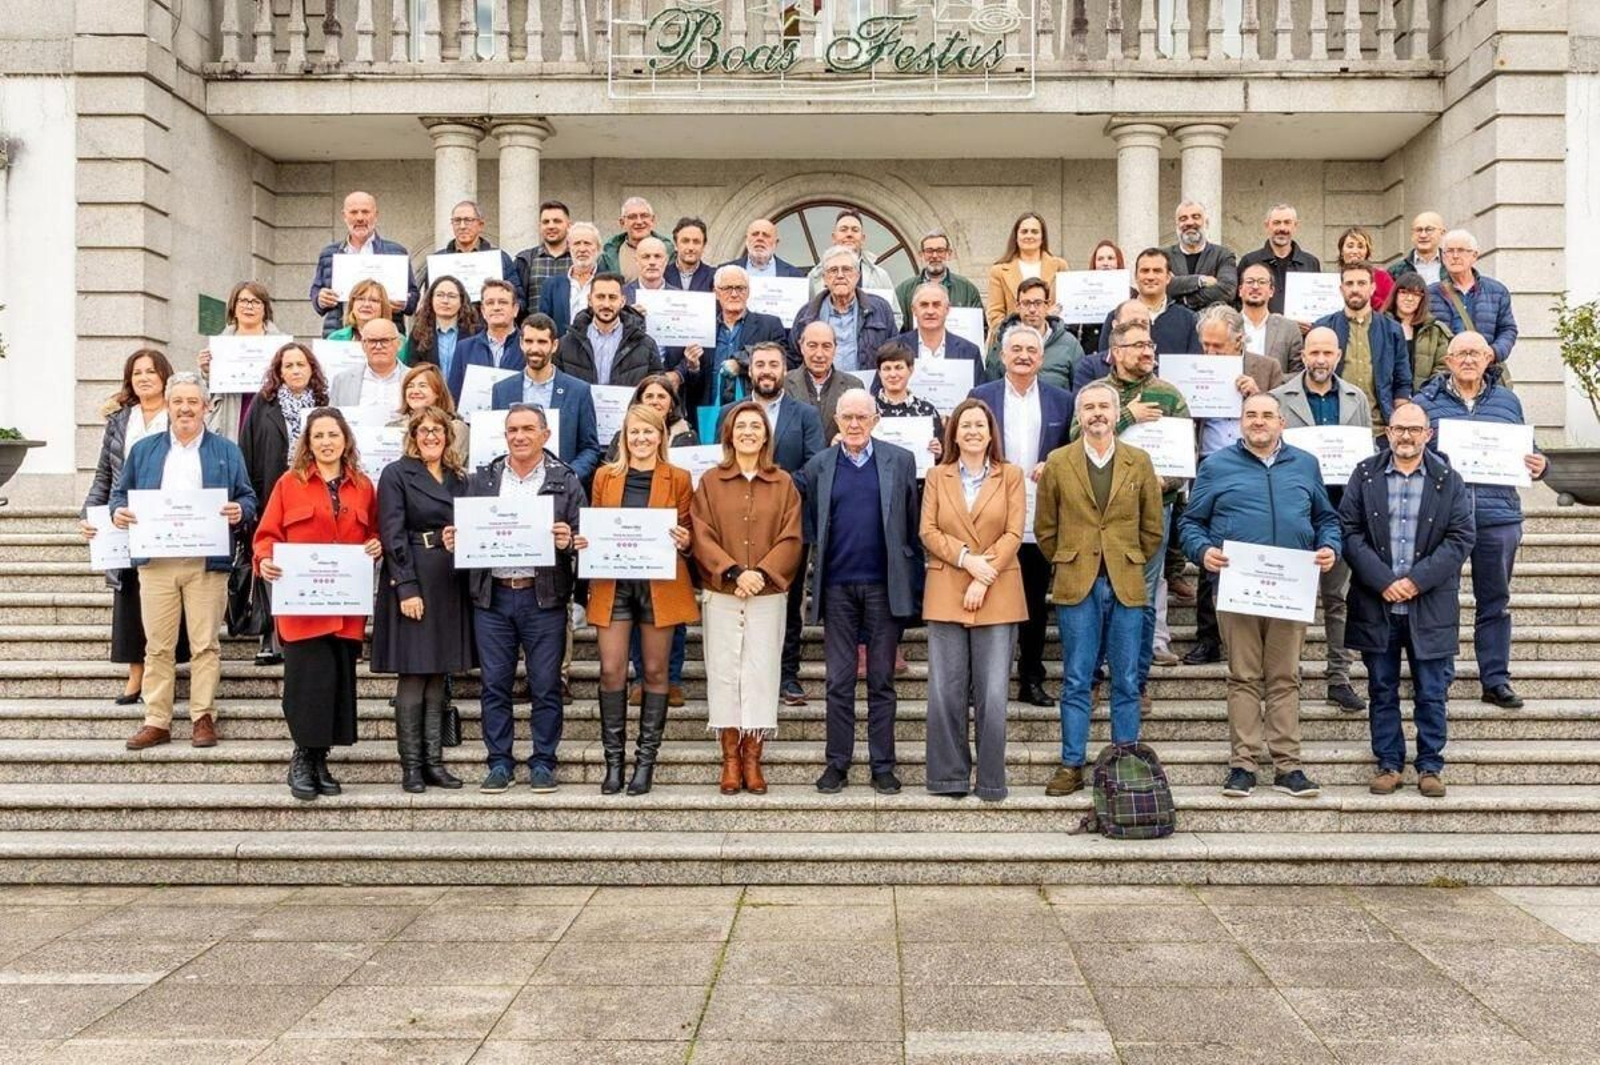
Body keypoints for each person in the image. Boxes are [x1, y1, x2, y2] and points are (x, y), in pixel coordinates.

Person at [1179, 393, 1341, 800]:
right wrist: (1202, 551)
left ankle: (1288, 767)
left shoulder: (1305, 464)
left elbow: (1326, 518)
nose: (1259, 421)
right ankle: (1243, 765)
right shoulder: (1216, 466)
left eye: (1267, 415)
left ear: (1281, 422)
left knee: (1285, 677)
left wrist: (1329, 546)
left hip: (1291, 589)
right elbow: (1190, 522)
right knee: (1244, 676)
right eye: (1251, 415)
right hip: (1238, 588)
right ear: (1240, 421)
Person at [110, 372, 258, 750]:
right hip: (156, 562)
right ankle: (156, 720)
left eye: (193, 401)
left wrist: (240, 510)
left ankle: (202, 716)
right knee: (158, 645)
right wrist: (118, 512)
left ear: (206, 407)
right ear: (168, 406)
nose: (185, 408)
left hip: (206, 562)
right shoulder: (144, 450)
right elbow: (119, 495)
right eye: (178, 401)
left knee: (205, 644)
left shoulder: (226, 450)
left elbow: (248, 497)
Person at [1340, 401, 1475, 799]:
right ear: (1388, 432)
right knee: (1381, 688)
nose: (1406, 436)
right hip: (1377, 602)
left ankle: (1430, 765)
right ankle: (1389, 764)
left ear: (1428, 435)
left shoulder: (1448, 479)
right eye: (1399, 428)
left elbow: (1461, 537)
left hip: (1429, 604)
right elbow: (1348, 530)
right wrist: (1383, 580)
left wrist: (1416, 581)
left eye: (1415, 429)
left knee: (1431, 691)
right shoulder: (1365, 474)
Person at [1035, 380, 1165, 796]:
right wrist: (1070, 558)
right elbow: (1045, 529)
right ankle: (1071, 764)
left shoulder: (1138, 461)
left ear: (1115, 413)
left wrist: (1127, 557)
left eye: (1103, 407)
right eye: (1088, 407)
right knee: (1077, 677)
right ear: (1079, 415)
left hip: (1125, 582)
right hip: (1078, 583)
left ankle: (1124, 761)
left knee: (1126, 678)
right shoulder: (1059, 462)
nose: (1096, 414)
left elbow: (1152, 528)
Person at [454, 403, 586, 793]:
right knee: (494, 685)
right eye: (512, 430)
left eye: (528, 429)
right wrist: (455, 538)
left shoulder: (566, 480)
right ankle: (499, 763)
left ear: (546, 435)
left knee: (545, 685)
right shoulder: (483, 479)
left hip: (543, 598)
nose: (519, 436)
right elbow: (467, 531)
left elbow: (583, 538)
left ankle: (543, 761)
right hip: (493, 597)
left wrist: (568, 541)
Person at [252, 407, 381, 801]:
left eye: (333, 435)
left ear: (346, 441)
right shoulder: (288, 484)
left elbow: (375, 532)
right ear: (307, 443)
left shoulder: (363, 486)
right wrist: (265, 560)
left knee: (336, 686)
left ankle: (320, 760)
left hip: (344, 610)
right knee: (306, 687)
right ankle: (302, 759)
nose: (326, 442)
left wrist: (375, 545)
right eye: (319, 435)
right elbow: (266, 536)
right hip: (302, 609)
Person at [798, 389, 923, 795]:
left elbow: (911, 524)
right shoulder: (819, 465)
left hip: (884, 587)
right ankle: (837, 763)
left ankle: (882, 766)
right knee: (838, 681)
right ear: (835, 419)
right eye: (847, 417)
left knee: (882, 680)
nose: (854, 424)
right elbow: (812, 521)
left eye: (862, 417)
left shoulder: (900, 461)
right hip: (836, 588)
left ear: (875, 420)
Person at [1414, 331, 1547, 709]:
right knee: (1441, 600)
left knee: (1495, 601)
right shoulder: (1426, 402)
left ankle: (1495, 679)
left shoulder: (1508, 401)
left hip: (1498, 516)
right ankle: (1438, 677)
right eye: (1461, 354)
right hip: (1443, 519)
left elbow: (1530, 451)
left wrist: (1541, 464)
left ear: (1489, 359)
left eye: (1476, 353)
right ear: (1448, 361)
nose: (1469, 359)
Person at [578, 404, 698, 795]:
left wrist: (685, 540)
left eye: (649, 432)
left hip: (659, 585)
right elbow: (598, 524)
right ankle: (614, 763)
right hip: (614, 584)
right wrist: (587, 541)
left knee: (656, 671)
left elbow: (689, 533)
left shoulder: (679, 478)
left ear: (661, 436)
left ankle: (645, 764)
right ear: (624, 438)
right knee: (611, 669)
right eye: (634, 432)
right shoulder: (605, 476)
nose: (641, 439)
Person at [691, 400, 804, 795]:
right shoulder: (711, 481)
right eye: (741, 426)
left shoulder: (783, 482)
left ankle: (753, 757)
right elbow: (701, 532)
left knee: (761, 671)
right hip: (723, 590)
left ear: (766, 435)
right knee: (725, 671)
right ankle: (730, 758)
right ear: (729, 434)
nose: (748, 432)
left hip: (767, 592)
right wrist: (734, 572)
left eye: (756, 426)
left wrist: (762, 574)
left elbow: (792, 536)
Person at [918, 398, 1027, 802]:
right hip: (947, 586)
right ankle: (949, 777)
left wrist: (984, 574)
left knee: (993, 694)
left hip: (998, 590)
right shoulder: (937, 475)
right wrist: (967, 560)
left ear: (991, 432)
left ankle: (991, 780)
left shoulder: (1011, 475)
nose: (973, 432)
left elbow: (1014, 532)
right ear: (954, 433)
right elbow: (928, 531)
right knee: (945, 691)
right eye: (965, 425)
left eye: (980, 425)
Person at [1076, 318, 1189, 704]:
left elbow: (1185, 456)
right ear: (1116, 352)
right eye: (1138, 345)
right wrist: (1127, 415)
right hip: (1099, 514)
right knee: (1096, 595)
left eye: (1150, 346)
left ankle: (1135, 683)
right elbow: (1075, 441)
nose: (1147, 352)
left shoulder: (1169, 395)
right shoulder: (1096, 394)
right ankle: (1092, 677)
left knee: (1141, 597)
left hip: (1153, 511)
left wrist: (1163, 482)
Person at [372, 405, 478, 792]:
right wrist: (406, 587)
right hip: (414, 574)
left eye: (438, 430)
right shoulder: (396, 474)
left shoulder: (460, 478)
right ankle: (412, 767)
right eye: (424, 430)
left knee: (438, 674)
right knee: (414, 674)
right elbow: (392, 533)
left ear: (448, 436)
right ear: (413, 436)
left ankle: (434, 763)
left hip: (450, 580)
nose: (431, 436)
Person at [1270, 326, 1374, 711]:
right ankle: (1287, 675)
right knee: (1291, 599)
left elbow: (1365, 455)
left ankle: (1338, 677)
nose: (1320, 360)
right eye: (1314, 352)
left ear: (1338, 355)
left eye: (1327, 353)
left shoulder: (1355, 398)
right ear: (1303, 355)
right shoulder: (1279, 398)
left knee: (1337, 598)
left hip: (1341, 509)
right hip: (1294, 513)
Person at [970, 324, 1074, 706]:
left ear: (1042, 358)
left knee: (1033, 602)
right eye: (1016, 349)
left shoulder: (1062, 400)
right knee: (985, 598)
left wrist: (1054, 463)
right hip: (989, 515)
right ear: (1002, 355)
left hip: (1037, 516)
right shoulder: (981, 397)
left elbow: (1071, 450)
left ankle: (1030, 678)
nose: (1024, 356)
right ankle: (979, 682)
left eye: (1031, 350)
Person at [1182, 306, 1287, 669]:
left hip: (1257, 464)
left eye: (1218, 346)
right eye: (1205, 345)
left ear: (1239, 340)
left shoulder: (1266, 367)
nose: (1210, 353)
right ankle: (1208, 637)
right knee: (1207, 546)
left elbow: (1284, 413)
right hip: (1209, 464)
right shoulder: (1193, 367)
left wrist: (1257, 396)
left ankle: (1259, 631)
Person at [80, 349, 186, 704]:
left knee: (167, 595)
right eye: (137, 372)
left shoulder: (178, 414)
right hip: (124, 518)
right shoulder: (120, 420)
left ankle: (165, 673)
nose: (144, 378)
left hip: (166, 519)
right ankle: (136, 674)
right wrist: (89, 515)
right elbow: (104, 475)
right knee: (129, 597)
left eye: (151, 371)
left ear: (164, 376)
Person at [739, 341, 825, 706]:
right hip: (739, 522)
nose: (766, 371)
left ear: (784, 371)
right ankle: (747, 672)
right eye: (760, 364)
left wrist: (776, 487)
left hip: (790, 521)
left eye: (773, 365)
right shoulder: (732, 413)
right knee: (743, 596)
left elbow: (815, 464)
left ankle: (787, 674)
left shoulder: (805, 414)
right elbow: (721, 462)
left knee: (788, 601)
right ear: (750, 370)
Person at [240, 341, 331, 665]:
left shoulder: (324, 404)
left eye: (301, 364)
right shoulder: (263, 405)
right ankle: (271, 638)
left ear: (312, 369)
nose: (295, 371)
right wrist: (250, 498)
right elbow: (247, 450)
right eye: (288, 365)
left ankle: (315, 631)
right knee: (272, 561)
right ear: (278, 371)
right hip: (272, 493)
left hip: (317, 496)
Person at [607, 376, 694, 707]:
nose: (656, 401)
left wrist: (685, 540)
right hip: (625, 565)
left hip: (665, 562)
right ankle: (641, 677)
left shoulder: (685, 445)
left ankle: (671, 679)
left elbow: (688, 522)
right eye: (649, 396)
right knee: (630, 622)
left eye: (662, 396)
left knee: (671, 618)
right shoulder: (609, 470)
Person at [491, 314, 604, 483]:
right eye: (529, 341)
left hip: (562, 488)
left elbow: (590, 448)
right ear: (521, 343)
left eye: (542, 342)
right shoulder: (502, 390)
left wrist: (570, 476)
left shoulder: (578, 391)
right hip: (514, 484)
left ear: (554, 345)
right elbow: (498, 441)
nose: (534, 348)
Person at [1312, 262, 1413, 427]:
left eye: (1361, 283)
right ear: (1341, 289)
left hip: (1379, 426)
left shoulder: (1392, 330)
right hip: (1334, 424)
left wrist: (1398, 422)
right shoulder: (1324, 327)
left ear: (1372, 288)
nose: (1355, 289)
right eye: (1349, 284)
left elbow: (1402, 382)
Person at [310, 190, 417, 335]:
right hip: (339, 335)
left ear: (376, 215)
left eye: (365, 212)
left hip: (384, 338)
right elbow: (316, 292)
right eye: (353, 212)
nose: (359, 218)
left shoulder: (397, 252)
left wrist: (403, 303)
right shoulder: (329, 254)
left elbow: (413, 297)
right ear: (344, 216)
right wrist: (320, 299)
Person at [692, 264, 791, 411]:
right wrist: (693, 367)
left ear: (748, 292)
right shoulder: (703, 327)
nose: (734, 294)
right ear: (716, 293)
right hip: (712, 411)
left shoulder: (770, 325)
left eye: (740, 288)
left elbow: (783, 362)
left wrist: (741, 365)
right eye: (727, 288)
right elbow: (694, 382)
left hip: (756, 411)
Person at [791, 245, 897, 375]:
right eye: (833, 270)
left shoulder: (880, 309)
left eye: (846, 269)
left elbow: (894, 354)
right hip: (821, 386)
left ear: (857, 276)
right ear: (824, 278)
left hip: (868, 385)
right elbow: (794, 358)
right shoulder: (807, 314)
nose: (840, 275)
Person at [197, 281, 282, 441]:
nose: (249, 306)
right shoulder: (219, 344)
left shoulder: (281, 344)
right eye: (243, 301)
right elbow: (204, 393)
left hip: (268, 410)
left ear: (265, 308)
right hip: (231, 411)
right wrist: (206, 371)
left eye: (256, 302)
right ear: (233, 307)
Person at [554, 273, 663, 387]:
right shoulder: (567, 344)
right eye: (600, 297)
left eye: (612, 297)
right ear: (590, 300)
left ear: (622, 301)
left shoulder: (645, 345)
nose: (606, 304)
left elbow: (656, 387)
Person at [1429, 229, 1518, 366]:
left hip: (1485, 369)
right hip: (1445, 370)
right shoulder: (1431, 294)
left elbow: (1508, 329)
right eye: (1450, 251)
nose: (1455, 256)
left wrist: (1494, 352)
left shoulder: (1497, 291)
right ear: (1443, 256)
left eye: (1461, 250)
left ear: (1474, 256)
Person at [1093, 249, 1200, 360]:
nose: (1150, 277)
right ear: (1136, 276)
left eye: (1157, 271)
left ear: (1168, 277)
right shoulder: (1116, 316)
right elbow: (1105, 361)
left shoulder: (1188, 319)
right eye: (1145, 271)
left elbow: (1193, 363)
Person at [984, 277, 1086, 389]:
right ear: (1017, 306)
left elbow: (1081, 389)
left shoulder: (1069, 345)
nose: (1032, 309)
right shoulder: (1003, 343)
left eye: (1038, 303)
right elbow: (990, 389)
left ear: (1047, 305)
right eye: (1026, 303)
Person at [985, 211, 1070, 332]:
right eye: (1024, 231)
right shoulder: (998, 271)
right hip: (1012, 338)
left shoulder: (1060, 266)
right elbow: (995, 316)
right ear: (1016, 236)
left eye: (1034, 232)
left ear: (1042, 237)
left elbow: (1066, 308)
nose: (1029, 236)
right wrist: (1019, 334)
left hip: (1052, 336)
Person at [433, 200, 524, 309]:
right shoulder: (438, 261)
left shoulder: (500, 259)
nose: (462, 226)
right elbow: (429, 300)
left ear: (480, 225)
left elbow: (518, 299)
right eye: (457, 220)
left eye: (468, 220)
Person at [890, 281, 986, 385]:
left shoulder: (969, 351)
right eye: (924, 305)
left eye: (936, 305)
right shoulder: (893, 349)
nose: (930, 311)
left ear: (947, 309)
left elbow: (979, 393)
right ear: (914, 310)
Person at [1238, 203, 1323, 317]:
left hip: (1300, 328)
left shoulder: (1311, 262)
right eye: (1276, 223)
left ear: (1295, 226)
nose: (1282, 228)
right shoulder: (1249, 261)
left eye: (1287, 222)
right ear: (1267, 226)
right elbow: (1238, 301)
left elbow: (1317, 300)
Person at [784, 321, 865, 435]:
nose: (819, 354)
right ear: (801, 347)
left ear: (835, 349)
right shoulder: (784, 384)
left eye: (826, 346)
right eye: (812, 346)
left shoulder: (853, 385)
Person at [450, 278, 524, 399]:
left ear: (515, 309)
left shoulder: (529, 346)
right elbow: (453, 395)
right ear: (483, 311)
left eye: (503, 302)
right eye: (490, 303)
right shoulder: (464, 348)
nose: (496, 307)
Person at [873, 341, 945, 461]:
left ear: (910, 370)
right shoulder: (868, 410)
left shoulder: (927, 410)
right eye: (887, 368)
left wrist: (937, 454)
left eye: (899, 367)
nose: (893, 374)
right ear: (879, 373)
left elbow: (943, 457)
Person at [894, 229, 983, 326]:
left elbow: (980, 326)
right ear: (921, 255)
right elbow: (896, 327)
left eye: (940, 251)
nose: (935, 256)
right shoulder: (904, 291)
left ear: (949, 254)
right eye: (929, 251)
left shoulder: (967, 289)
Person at [1382, 272, 1454, 388]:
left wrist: (1425, 393)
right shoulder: (1379, 325)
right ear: (1395, 295)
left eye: (1416, 294)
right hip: (1385, 395)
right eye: (1404, 292)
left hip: (1425, 395)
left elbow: (1443, 367)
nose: (1410, 298)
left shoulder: (1436, 330)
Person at [390, 363, 468, 469]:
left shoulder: (456, 428)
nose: (415, 391)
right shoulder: (392, 428)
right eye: (410, 386)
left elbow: (449, 468)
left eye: (422, 386)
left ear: (438, 392)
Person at [1165, 201, 1239, 311]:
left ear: (1206, 223)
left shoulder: (1223, 255)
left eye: (1196, 217)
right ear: (1176, 225)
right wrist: (1200, 280)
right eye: (1183, 219)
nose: (1189, 223)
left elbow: (1227, 290)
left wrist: (1186, 299)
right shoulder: (1163, 256)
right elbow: (1161, 286)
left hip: (1212, 319)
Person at [404, 275, 481, 379]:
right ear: (431, 299)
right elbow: (412, 369)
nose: (445, 301)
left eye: (452, 296)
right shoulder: (418, 333)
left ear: (461, 301)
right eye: (439, 295)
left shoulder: (475, 332)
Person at [805, 209, 894, 295]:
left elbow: (892, 306)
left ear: (862, 239)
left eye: (855, 230)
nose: (849, 234)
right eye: (843, 230)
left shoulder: (880, 276)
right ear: (834, 237)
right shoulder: (815, 276)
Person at [535, 221, 602, 337]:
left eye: (587, 243)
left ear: (598, 248)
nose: (582, 249)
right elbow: (544, 326)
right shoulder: (552, 285)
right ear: (569, 248)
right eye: (576, 243)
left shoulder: (609, 282)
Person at [1237, 262, 1305, 374]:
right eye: (1249, 282)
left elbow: (1298, 374)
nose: (1255, 286)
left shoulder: (1289, 328)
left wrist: (1270, 382)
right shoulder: (1227, 326)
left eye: (1262, 282)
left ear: (1271, 291)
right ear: (1240, 290)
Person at [329, 317, 407, 412]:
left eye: (385, 340)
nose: (378, 346)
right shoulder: (342, 381)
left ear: (398, 343)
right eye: (372, 341)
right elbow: (333, 417)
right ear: (363, 345)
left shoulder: (414, 378)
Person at [1067, 240, 1128, 354]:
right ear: (1094, 264)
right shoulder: (1079, 292)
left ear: (1118, 262)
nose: (1105, 263)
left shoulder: (1130, 293)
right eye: (1100, 259)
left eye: (1110, 258)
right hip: (1089, 352)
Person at [515, 199, 572, 312]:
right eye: (546, 222)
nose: (551, 226)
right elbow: (517, 300)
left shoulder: (579, 259)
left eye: (557, 221)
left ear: (569, 225)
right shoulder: (525, 260)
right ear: (540, 226)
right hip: (534, 323)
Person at [600, 196, 673, 280]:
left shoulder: (669, 252)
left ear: (652, 220)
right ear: (622, 222)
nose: (639, 222)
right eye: (632, 217)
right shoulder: (610, 256)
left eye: (644, 216)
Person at [322, 278, 399, 352]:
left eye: (374, 300)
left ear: (383, 307)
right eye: (360, 299)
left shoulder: (398, 341)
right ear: (352, 305)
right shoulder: (335, 338)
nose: (366, 304)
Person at [1335, 226, 1394, 309]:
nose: (1355, 251)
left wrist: (1366, 296)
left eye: (1360, 247)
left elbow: (1392, 307)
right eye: (1350, 246)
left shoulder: (1382, 277)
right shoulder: (1331, 280)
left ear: (1367, 252)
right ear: (1341, 251)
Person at [731, 217, 806, 278]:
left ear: (776, 243)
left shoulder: (796, 275)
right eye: (755, 234)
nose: (760, 238)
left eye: (766, 235)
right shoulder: (727, 270)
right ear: (746, 240)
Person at [1387, 211, 1447, 286]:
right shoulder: (1396, 271)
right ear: (1412, 234)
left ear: (1442, 233)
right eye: (1419, 230)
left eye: (1429, 229)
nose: (1423, 235)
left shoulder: (1452, 266)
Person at [665, 217, 716, 291]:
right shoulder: (662, 275)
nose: (691, 247)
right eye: (685, 241)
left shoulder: (714, 277)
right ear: (676, 245)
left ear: (703, 246)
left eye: (696, 242)